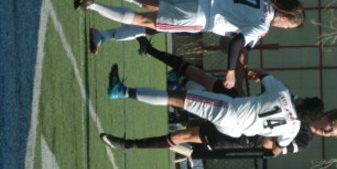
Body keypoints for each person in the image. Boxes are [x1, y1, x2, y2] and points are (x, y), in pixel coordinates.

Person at [135, 36, 337, 156]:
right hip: (240, 104)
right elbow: (280, 92)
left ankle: (134, 144)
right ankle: (151, 52)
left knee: (186, 134)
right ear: (327, 116)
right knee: (200, 76)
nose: (325, 133)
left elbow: (269, 146)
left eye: (330, 135)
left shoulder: (302, 140)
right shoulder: (300, 107)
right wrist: (256, 76)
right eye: (330, 129)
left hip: (240, 134)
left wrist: (273, 132)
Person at [74, 0, 304, 88]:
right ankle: (92, 5)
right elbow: (237, 44)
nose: (284, 28)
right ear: (284, 17)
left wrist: (219, 1)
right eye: (288, 26)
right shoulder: (263, 25)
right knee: (144, 20)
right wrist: (231, 73)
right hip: (200, 16)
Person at [99, 64, 325, 155]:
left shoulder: (283, 94)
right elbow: (275, 148)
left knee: (176, 99)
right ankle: (130, 145)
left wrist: (253, 73)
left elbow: (263, 74)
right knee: (184, 132)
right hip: (235, 133)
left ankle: (120, 91)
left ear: (303, 103)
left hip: (227, 111)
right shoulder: (292, 129)